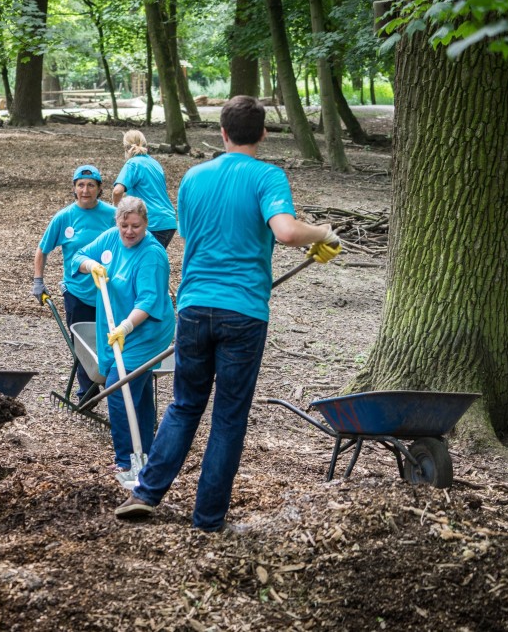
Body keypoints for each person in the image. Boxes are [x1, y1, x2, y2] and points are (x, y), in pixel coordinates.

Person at [115, 95, 342, 530]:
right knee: (229, 415)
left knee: (184, 404)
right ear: (262, 134)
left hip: (195, 307)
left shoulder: (193, 178)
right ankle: (208, 517)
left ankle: (146, 492)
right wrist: (324, 232)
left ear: (221, 132)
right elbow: (286, 230)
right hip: (243, 311)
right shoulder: (268, 176)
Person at [73, 196, 175, 480]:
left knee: (120, 388)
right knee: (136, 392)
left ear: (146, 224)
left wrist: (125, 329)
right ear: (117, 222)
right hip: (117, 321)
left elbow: (148, 301)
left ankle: (126, 462)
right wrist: (90, 266)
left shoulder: (152, 254)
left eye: (136, 226)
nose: (129, 232)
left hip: (146, 330)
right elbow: (78, 256)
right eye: (124, 225)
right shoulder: (111, 237)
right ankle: (144, 455)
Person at [32, 165, 116, 400]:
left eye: (91, 185)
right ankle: (87, 392)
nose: (85, 190)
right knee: (81, 344)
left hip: (109, 291)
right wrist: (38, 281)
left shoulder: (112, 215)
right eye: (80, 185)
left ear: (100, 189)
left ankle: (112, 384)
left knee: (109, 339)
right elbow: (42, 250)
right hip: (77, 292)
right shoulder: (64, 217)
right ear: (74, 188)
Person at [111, 130, 177, 248]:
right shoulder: (154, 163)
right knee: (151, 259)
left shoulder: (133, 164)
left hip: (152, 222)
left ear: (125, 147)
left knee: (143, 260)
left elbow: (117, 191)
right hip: (168, 220)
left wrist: (116, 212)